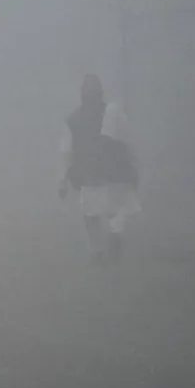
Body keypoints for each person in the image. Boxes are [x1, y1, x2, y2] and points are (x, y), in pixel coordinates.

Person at [58, 73, 140, 262]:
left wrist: (62, 180)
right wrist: (133, 163)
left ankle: (98, 250)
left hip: (91, 171)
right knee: (114, 207)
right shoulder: (112, 112)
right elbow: (127, 139)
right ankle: (113, 234)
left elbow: (66, 151)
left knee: (91, 213)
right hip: (114, 170)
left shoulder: (73, 119)